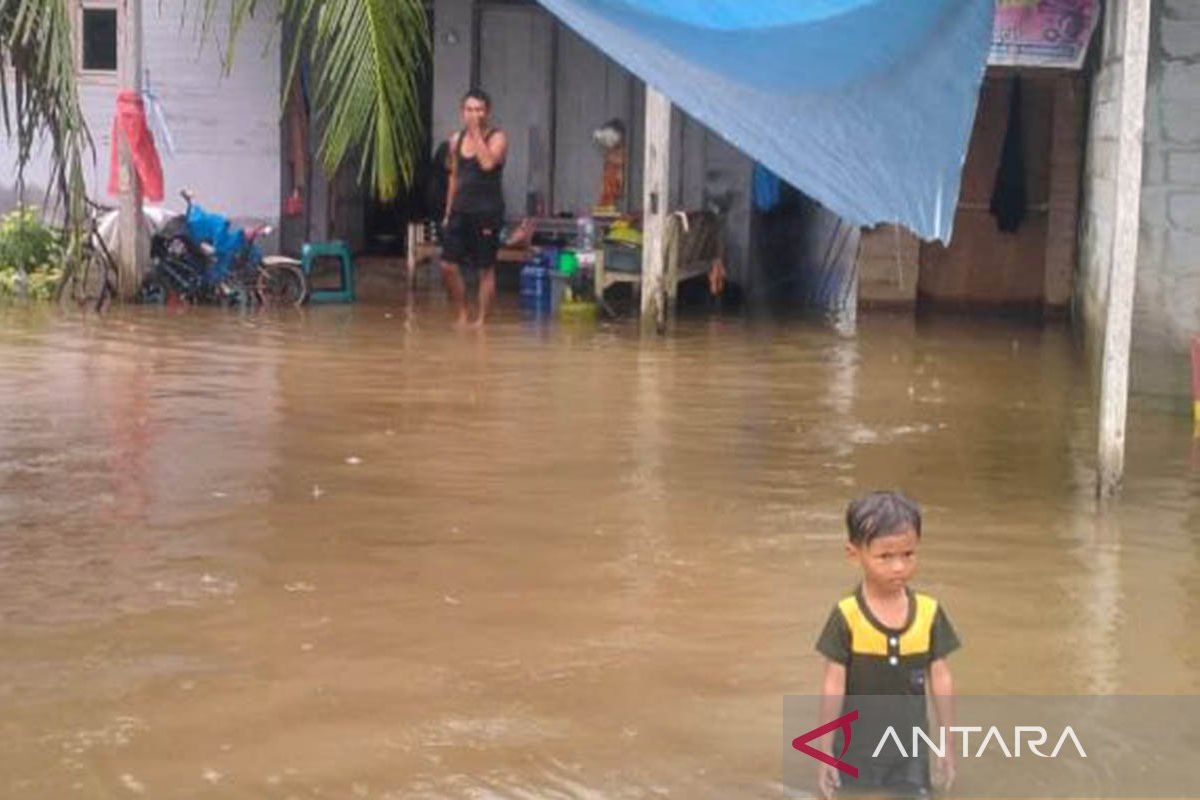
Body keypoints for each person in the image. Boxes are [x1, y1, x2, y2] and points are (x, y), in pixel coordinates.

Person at [814, 491, 960, 799]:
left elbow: (941, 678)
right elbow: (833, 684)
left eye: (908, 554)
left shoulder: (928, 613)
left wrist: (948, 739)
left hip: (910, 753)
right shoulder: (847, 616)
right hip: (855, 751)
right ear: (854, 554)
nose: (899, 567)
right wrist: (825, 748)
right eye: (885, 556)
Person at [441, 88, 508, 328]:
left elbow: (488, 163)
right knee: (447, 265)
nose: (474, 114)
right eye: (469, 110)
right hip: (460, 210)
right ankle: (461, 313)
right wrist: (448, 212)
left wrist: (476, 133)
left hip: (487, 212)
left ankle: (481, 322)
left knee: (485, 268)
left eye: (479, 110)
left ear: (487, 112)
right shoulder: (454, 140)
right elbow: (454, 177)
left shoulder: (497, 137)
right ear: (462, 112)